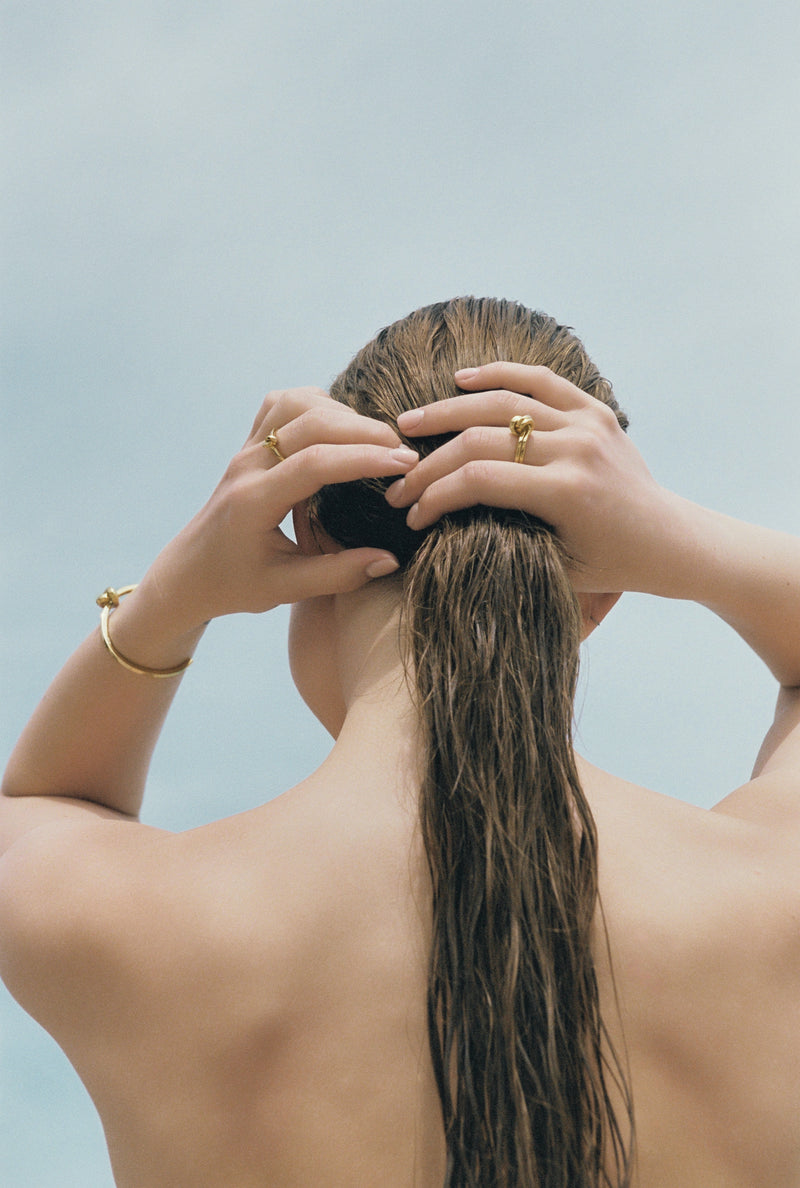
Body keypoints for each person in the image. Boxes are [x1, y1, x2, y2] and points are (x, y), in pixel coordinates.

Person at [0, 297, 798, 1188]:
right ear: (601, 592)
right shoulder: (773, 897)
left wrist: (168, 600)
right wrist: (682, 540)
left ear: (310, 531)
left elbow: (40, 804)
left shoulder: (137, 928)